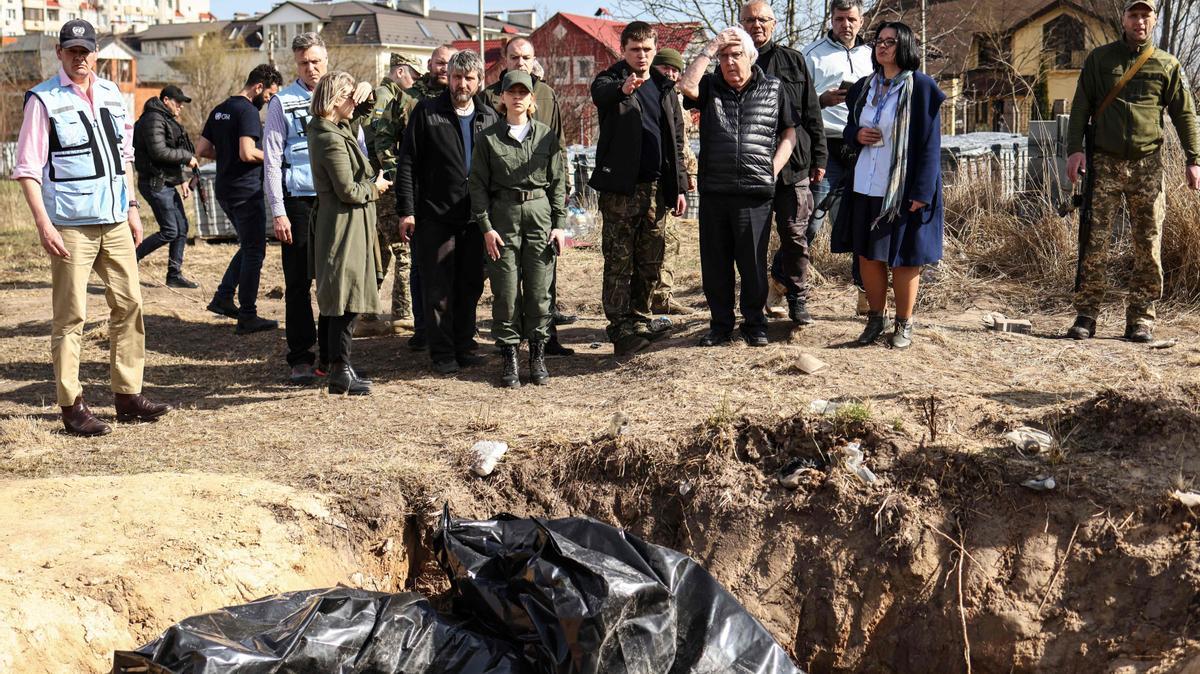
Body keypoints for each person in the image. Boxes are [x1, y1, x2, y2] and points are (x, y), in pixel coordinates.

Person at [12, 19, 172, 436]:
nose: (79, 57)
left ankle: (127, 395)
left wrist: (134, 208)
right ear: (60, 53)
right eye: (72, 51)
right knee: (71, 316)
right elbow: (27, 169)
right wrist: (43, 224)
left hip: (116, 219)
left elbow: (124, 158)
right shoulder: (42, 101)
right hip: (68, 226)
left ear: (96, 52)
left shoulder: (111, 94)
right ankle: (72, 405)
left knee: (130, 304)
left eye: (86, 50)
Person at [1065, 0, 1200, 342]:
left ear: (1154, 20)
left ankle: (1141, 319)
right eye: (1133, 14)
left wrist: (1194, 159)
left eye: (1145, 15)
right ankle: (1086, 314)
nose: (1139, 21)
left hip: (1148, 164)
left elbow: (1185, 114)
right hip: (1104, 163)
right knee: (1093, 241)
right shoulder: (1100, 59)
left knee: (1148, 241)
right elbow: (1081, 104)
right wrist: (1075, 150)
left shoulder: (1167, 64)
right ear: (1123, 18)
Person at [263, 33, 374, 384]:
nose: (310, 68)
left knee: (336, 281)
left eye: (316, 61)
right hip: (299, 201)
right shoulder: (283, 102)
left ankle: (331, 358)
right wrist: (278, 210)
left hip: (337, 201)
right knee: (299, 282)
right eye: (303, 63)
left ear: (326, 60)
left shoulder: (344, 97)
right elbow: (271, 159)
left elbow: (358, 146)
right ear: (295, 65)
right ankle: (300, 356)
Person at [679, 27, 798, 347]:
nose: (729, 62)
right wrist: (710, 47)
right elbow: (685, 86)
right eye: (723, 56)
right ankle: (720, 325)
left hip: (755, 193)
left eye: (736, 54)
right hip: (715, 191)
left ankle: (755, 324)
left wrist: (772, 169)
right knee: (715, 265)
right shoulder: (710, 87)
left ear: (751, 57)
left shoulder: (774, 88)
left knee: (753, 265)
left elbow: (789, 133)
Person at [833, 22, 945, 349]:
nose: (882, 47)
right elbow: (849, 129)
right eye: (879, 42)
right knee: (868, 255)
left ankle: (904, 324)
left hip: (903, 189)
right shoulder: (865, 86)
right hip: (866, 183)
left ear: (905, 46)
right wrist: (856, 135)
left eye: (891, 42)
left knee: (904, 258)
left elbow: (929, 144)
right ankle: (874, 320)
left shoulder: (922, 88)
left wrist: (922, 192)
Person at [589, 21, 689, 356]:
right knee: (619, 260)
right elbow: (599, 94)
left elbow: (674, 139)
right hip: (621, 190)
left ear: (654, 48)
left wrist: (679, 187)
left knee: (651, 260)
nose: (642, 56)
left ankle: (641, 318)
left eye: (647, 49)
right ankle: (620, 328)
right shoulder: (612, 79)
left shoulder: (663, 85)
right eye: (635, 50)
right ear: (624, 50)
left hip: (657, 190)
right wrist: (624, 90)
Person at [397, 50, 498, 375]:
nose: (462, 84)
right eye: (457, 77)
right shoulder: (427, 112)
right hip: (434, 216)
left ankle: (464, 345)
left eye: (469, 78)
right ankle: (442, 353)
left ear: (479, 82)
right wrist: (407, 210)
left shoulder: (488, 116)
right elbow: (408, 162)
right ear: (448, 78)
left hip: (474, 218)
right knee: (438, 286)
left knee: (470, 284)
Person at [470, 71, 568, 388]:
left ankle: (537, 354)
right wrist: (485, 227)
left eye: (523, 92)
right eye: (510, 92)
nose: (516, 97)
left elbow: (558, 183)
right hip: (503, 218)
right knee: (507, 292)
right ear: (501, 98)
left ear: (531, 99)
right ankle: (510, 354)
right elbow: (478, 187)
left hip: (539, 217)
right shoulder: (487, 139)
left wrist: (560, 225)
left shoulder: (545, 136)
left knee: (540, 291)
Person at [480, 37, 576, 356]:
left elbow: (558, 142)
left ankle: (545, 340)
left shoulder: (546, 94)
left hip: (539, 200)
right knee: (505, 280)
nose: (520, 62)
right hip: (502, 200)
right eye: (514, 56)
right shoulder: (488, 97)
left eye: (526, 56)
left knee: (541, 275)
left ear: (534, 59)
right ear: (504, 59)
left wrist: (564, 185)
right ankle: (507, 342)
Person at [739, 0, 827, 326]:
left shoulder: (793, 60)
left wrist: (820, 156)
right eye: (749, 20)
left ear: (773, 24)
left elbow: (812, 112)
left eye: (762, 20)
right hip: (750, 169)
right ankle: (755, 303)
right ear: (741, 24)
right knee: (752, 243)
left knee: (795, 237)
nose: (756, 25)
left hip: (795, 168)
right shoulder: (734, 63)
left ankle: (797, 299)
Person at [307, 71, 391, 395]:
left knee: (338, 295)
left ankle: (333, 364)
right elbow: (347, 189)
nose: (354, 104)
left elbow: (363, 117)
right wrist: (376, 187)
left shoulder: (334, 128)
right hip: (343, 224)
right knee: (346, 297)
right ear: (336, 98)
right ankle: (340, 370)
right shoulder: (329, 138)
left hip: (347, 222)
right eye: (350, 97)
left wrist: (366, 93)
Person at [196, 64, 283, 335]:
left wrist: (228, 155)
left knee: (248, 246)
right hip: (246, 192)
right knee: (255, 250)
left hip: (224, 189)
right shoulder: (247, 111)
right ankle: (247, 315)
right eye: (268, 96)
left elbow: (202, 149)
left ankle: (223, 297)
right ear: (258, 87)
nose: (267, 102)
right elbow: (247, 153)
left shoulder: (220, 108)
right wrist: (275, 157)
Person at [803, 0, 873, 313]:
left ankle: (865, 294)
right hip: (826, 147)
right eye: (839, 19)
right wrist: (822, 100)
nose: (845, 25)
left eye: (851, 19)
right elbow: (794, 104)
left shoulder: (873, 55)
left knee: (863, 223)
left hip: (864, 148)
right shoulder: (811, 54)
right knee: (809, 221)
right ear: (831, 19)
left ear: (862, 20)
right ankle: (783, 286)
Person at [400, 44, 458, 352]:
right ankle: (423, 327)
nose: (443, 68)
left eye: (448, 64)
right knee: (421, 268)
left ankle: (448, 333)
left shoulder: (464, 98)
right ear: (429, 64)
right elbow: (397, 145)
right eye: (438, 63)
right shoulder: (411, 98)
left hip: (448, 197)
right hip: (421, 195)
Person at [362, 52, 420, 337]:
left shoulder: (386, 94)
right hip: (385, 183)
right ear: (400, 71)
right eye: (414, 74)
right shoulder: (386, 96)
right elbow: (377, 138)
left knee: (381, 252)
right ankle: (402, 315)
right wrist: (395, 174)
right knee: (402, 251)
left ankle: (368, 314)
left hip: (378, 182)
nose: (416, 81)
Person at [133, 84, 199, 289]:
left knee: (182, 228)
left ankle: (174, 275)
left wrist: (181, 180)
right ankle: (128, 261)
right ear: (166, 101)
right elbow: (159, 153)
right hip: (155, 183)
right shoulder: (153, 119)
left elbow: (167, 155)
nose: (180, 106)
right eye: (177, 102)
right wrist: (187, 157)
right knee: (171, 230)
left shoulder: (164, 119)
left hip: (165, 181)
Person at [648, 47, 697, 317]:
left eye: (676, 69)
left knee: (672, 240)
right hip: (659, 179)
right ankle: (655, 297)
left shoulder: (677, 97)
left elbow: (684, 144)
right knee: (661, 240)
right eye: (665, 67)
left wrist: (688, 175)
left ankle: (663, 295)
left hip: (678, 178)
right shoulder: (653, 95)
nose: (671, 73)